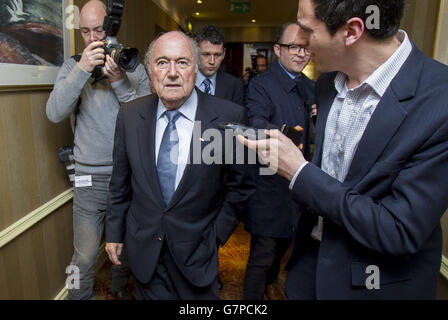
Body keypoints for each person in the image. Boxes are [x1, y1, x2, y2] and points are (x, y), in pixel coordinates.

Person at [239, 0, 448, 299]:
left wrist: (299, 172)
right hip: (307, 273)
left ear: (351, 31)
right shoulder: (326, 84)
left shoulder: (440, 101)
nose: (303, 46)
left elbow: (399, 229)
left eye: (308, 31)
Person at [105, 31, 255, 300]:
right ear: (151, 71)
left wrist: (216, 236)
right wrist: (114, 233)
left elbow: (241, 187)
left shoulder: (230, 117)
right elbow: (120, 183)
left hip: (197, 254)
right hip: (144, 253)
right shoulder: (129, 115)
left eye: (182, 62)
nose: (172, 72)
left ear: (195, 69)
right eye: (162, 63)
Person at [46, 0, 150, 300]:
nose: (93, 39)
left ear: (112, 28)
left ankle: (120, 292)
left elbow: (146, 119)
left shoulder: (130, 62)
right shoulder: (72, 65)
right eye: (85, 32)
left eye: (99, 30)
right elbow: (54, 112)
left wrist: (119, 82)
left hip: (127, 178)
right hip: (88, 181)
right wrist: (82, 69)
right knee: (82, 259)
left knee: (126, 251)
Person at [243, 22, 314, 300]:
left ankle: (271, 282)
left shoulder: (313, 87)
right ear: (277, 49)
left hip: (302, 187)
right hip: (269, 188)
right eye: (293, 46)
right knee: (262, 255)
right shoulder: (261, 85)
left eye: (306, 47)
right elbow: (256, 120)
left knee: (287, 246)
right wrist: (281, 134)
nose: (300, 53)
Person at [195, 25, 244, 106]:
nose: (212, 61)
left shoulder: (235, 86)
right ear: (196, 52)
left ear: (224, 54)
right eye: (206, 54)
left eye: (217, 55)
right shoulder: (184, 82)